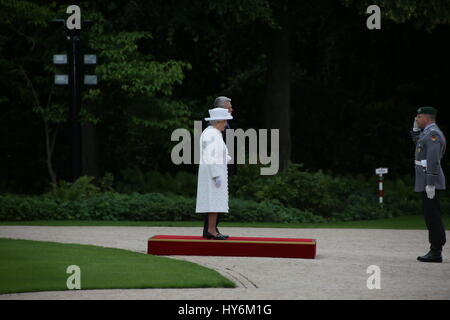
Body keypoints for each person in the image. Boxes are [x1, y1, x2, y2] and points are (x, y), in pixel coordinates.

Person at [411, 106, 447, 262]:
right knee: (430, 215)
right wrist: (415, 130)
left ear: (427, 118)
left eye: (419, 117)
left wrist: (431, 182)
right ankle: (434, 249)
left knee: (433, 216)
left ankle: (436, 251)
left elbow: (432, 160)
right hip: (425, 179)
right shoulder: (427, 133)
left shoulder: (433, 134)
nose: (416, 119)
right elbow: (419, 147)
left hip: (429, 180)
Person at [196, 107, 233, 240]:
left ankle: (211, 230)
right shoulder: (211, 134)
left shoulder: (213, 133)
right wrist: (216, 175)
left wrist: (227, 158)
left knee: (215, 202)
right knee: (213, 202)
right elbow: (211, 156)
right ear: (220, 121)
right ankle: (211, 230)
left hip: (214, 171)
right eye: (225, 122)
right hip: (213, 173)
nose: (226, 125)